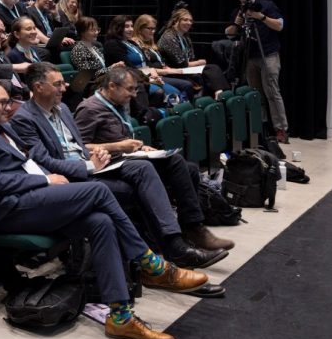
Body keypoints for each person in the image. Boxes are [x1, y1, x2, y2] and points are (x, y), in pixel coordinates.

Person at [0, 76, 209, 339]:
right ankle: (151, 264)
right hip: (11, 209)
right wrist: (46, 180)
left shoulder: (2, 128)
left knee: (100, 222)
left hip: (37, 198)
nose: (10, 106)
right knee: (99, 191)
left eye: (9, 101)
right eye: (3, 102)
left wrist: (50, 175)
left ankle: (121, 316)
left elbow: (30, 160)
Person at [10, 63, 230, 268]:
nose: (65, 87)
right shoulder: (25, 118)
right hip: (72, 175)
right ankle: (171, 247)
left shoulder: (64, 110)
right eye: (58, 84)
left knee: (175, 163)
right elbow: (43, 160)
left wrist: (100, 152)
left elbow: (79, 146)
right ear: (38, 87)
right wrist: (94, 162)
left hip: (97, 162)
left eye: (62, 82)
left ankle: (188, 232)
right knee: (139, 176)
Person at [73, 67, 235, 251]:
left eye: (135, 89)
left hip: (128, 158)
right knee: (174, 163)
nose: (134, 95)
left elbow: (120, 138)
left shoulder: (118, 104)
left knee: (187, 168)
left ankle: (190, 227)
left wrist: (141, 147)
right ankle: (189, 231)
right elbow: (80, 147)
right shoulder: (89, 109)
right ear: (112, 86)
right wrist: (118, 146)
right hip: (108, 165)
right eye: (130, 89)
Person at [225, 0, 288, 143]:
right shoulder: (239, 11)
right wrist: (236, 23)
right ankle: (260, 127)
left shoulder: (265, 6)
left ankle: (280, 129)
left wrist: (261, 17)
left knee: (272, 92)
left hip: (268, 54)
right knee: (255, 95)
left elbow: (280, 26)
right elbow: (230, 34)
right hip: (250, 57)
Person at [104, 15, 193, 104]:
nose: (131, 29)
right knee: (166, 93)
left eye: (131, 26)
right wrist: (148, 78)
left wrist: (153, 73)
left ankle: (173, 114)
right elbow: (128, 67)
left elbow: (147, 63)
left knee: (177, 92)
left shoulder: (131, 43)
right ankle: (157, 115)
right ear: (117, 28)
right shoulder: (112, 44)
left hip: (146, 76)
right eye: (126, 27)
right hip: (132, 79)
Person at [159, 8, 229, 97]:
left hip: (186, 68)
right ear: (176, 21)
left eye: (190, 20)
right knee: (211, 68)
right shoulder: (168, 37)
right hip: (173, 69)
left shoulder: (185, 37)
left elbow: (191, 57)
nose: (189, 23)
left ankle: (220, 93)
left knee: (212, 70)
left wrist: (197, 63)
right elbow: (181, 63)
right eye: (185, 20)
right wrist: (200, 62)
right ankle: (220, 94)